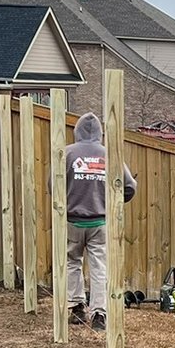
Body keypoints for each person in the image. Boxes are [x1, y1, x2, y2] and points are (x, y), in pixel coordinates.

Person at [61, 110, 136, 329]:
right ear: (100, 133)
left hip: (72, 221)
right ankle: (99, 314)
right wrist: (114, 201)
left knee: (72, 262)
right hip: (100, 222)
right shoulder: (109, 155)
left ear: (76, 132)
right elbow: (129, 186)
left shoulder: (67, 153)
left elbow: (52, 185)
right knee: (99, 266)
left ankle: (76, 308)